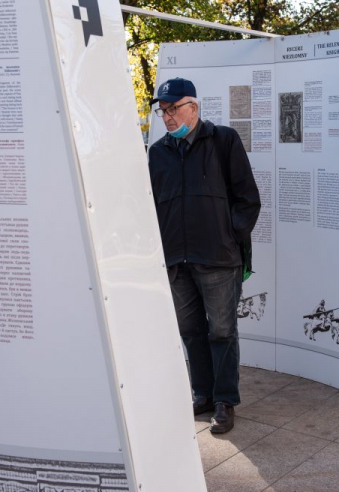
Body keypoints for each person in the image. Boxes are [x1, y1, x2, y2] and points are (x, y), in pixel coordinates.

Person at [147, 78, 261, 434]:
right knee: (191, 331)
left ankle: (225, 400)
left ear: (193, 108)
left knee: (222, 332)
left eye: (173, 108)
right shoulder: (157, 152)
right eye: (162, 110)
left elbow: (248, 199)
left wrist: (229, 238)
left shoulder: (223, 140)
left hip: (217, 259)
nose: (166, 117)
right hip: (176, 261)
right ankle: (203, 395)